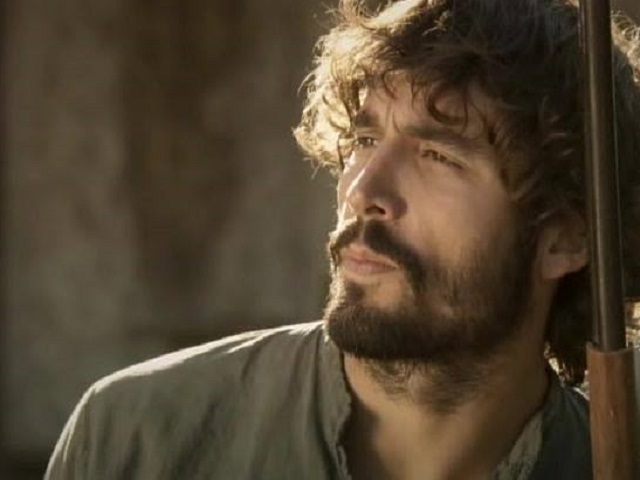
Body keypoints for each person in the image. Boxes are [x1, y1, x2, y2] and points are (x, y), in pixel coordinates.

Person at [46, 0, 640, 478]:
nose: (362, 190)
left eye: (436, 155)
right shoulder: (136, 442)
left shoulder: (610, 464)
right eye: (363, 141)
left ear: (566, 238)